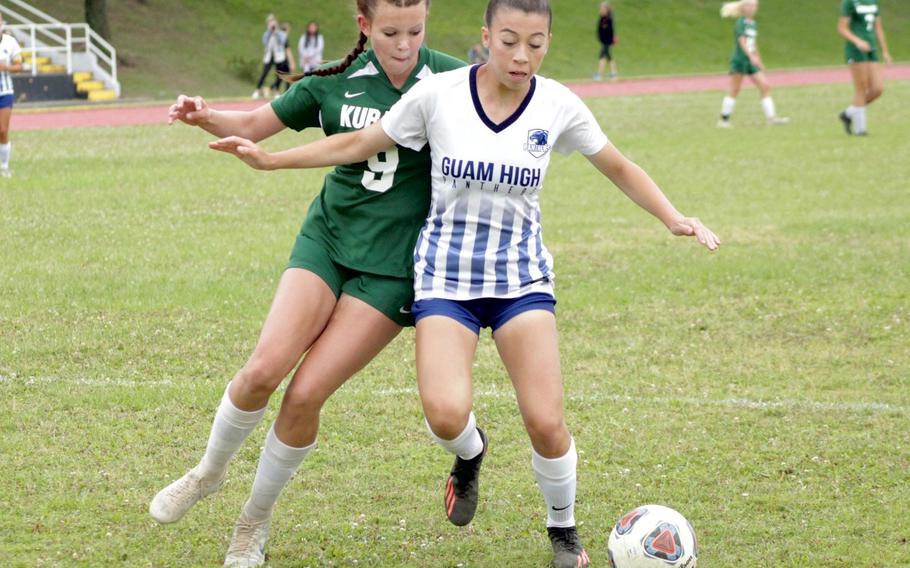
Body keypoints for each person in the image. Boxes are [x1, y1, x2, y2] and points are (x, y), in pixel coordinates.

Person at [209, 1, 721, 566]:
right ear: (485, 38)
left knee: (547, 421)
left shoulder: (558, 105)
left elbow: (619, 165)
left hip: (519, 278)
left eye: (535, 43)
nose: (521, 56)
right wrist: (273, 161)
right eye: (508, 41)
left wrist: (672, 216)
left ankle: (563, 531)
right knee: (446, 416)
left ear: (549, 42)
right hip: (444, 280)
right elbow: (359, 144)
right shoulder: (440, 94)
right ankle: (470, 454)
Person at [150, 1, 463, 566]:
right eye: (390, 32)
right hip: (328, 240)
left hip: (392, 268)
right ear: (364, 26)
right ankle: (207, 473)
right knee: (263, 370)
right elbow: (253, 125)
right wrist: (203, 114)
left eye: (415, 31)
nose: (404, 44)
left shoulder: (451, 79)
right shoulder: (331, 83)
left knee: (304, 395)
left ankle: (253, 523)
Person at [717, 0, 788, 128]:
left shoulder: (753, 24)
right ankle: (724, 120)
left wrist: (758, 60)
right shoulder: (741, 23)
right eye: (749, 5)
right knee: (735, 90)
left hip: (751, 61)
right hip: (740, 60)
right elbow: (742, 41)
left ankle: (771, 118)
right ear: (743, 8)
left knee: (765, 86)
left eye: (754, 5)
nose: (752, 8)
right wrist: (750, 56)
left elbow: (753, 43)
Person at [838, 0, 891, 136]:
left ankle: (848, 114)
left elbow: (877, 27)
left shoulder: (873, 2)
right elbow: (842, 28)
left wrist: (885, 51)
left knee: (877, 89)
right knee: (861, 88)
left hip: (871, 48)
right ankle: (860, 129)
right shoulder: (849, 2)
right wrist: (858, 41)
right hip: (856, 49)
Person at [0, 14, 23, 179]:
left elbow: (19, 66)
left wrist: (5, 67)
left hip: (5, 91)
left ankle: (4, 166)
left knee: (2, 130)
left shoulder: (10, 42)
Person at [252, 14, 288, 99]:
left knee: (279, 74)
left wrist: (276, 33)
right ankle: (257, 90)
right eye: (270, 24)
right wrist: (270, 32)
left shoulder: (281, 34)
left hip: (279, 57)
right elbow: (265, 42)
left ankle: (277, 91)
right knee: (264, 73)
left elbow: (282, 42)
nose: (272, 26)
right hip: (269, 56)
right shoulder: (266, 34)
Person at [271, 22, 296, 96]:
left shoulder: (278, 37)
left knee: (281, 76)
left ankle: (274, 88)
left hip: (278, 60)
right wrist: (292, 62)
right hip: (284, 61)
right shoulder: (284, 37)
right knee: (286, 76)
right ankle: (283, 91)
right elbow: (287, 51)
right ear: (287, 30)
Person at [594, 1, 617, 81]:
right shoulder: (602, 18)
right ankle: (613, 73)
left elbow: (611, 31)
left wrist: (612, 40)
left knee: (602, 56)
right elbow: (599, 29)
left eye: (602, 8)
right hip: (603, 41)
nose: (601, 10)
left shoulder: (609, 19)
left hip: (607, 42)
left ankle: (600, 74)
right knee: (608, 57)